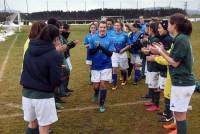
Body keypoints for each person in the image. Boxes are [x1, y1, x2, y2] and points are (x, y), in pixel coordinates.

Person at [150, 13, 195, 134]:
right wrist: (163, 51)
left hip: (182, 82)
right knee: (179, 113)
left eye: (169, 23)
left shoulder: (181, 39)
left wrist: (160, 51)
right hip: (181, 82)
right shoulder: (180, 38)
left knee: (180, 115)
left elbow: (174, 63)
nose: (167, 26)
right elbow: (175, 57)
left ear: (174, 25)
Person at [21, 24, 62, 134]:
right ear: (55, 38)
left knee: (32, 124)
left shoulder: (29, 49)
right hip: (43, 96)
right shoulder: (54, 54)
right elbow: (56, 80)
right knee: (44, 128)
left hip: (26, 94)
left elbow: (25, 69)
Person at [89, 21, 114, 112]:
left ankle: (101, 104)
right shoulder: (92, 38)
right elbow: (91, 52)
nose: (102, 29)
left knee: (103, 85)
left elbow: (110, 54)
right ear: (98, 28)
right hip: (95, 65)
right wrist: (96, 48)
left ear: (106, 28)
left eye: (104, 27)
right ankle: (96, 92)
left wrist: (100, 47)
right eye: (101, 27)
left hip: (106, 65)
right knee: (96, 86)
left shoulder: (110, 39)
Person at [111, 21, 131, 90]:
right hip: (114, 54)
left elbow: (129, 45)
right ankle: (114, 84)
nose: (116, 27)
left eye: (118, 25)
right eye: (115, 25)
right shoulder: (111, 34)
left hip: (123, 54)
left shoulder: (125, 35)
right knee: (114, 69)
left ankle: (124, 79)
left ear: (121, 26)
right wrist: (112, 48)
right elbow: (110, 43)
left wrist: (124, 49)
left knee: (123, 69)